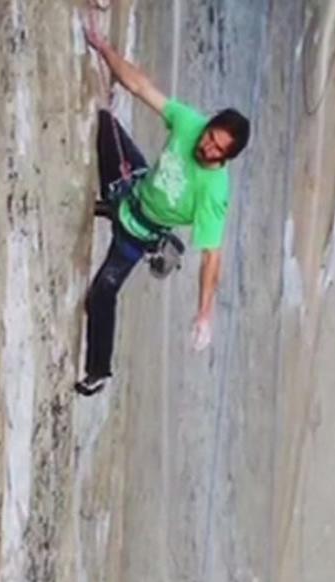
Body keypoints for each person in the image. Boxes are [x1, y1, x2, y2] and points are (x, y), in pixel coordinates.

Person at [75, 10, 251, 397]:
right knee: (106, 125)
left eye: (217, 150)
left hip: (139, 234)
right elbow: (141, 87)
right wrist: (104, 49)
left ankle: (98, 371)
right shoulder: (190, 124)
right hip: (135, 187)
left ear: (226, 158)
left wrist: (204, 315)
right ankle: (108, 204)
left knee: (102, 293)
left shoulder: (213, 192)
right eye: (209, 137)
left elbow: (212, 258)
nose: (206, 148)